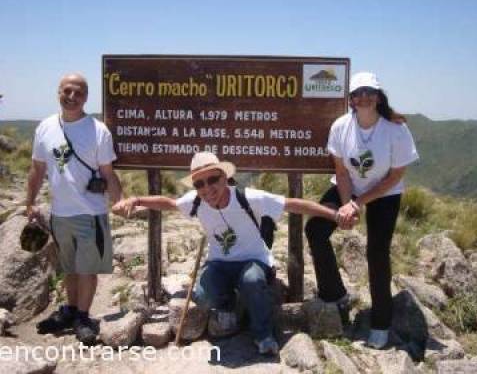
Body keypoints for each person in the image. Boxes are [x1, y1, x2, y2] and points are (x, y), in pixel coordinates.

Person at [112, 151, 340, 355]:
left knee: (252, 280)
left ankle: (263, 334)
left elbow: (294, 204)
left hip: (253, 261)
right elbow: (169, 203)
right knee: (202, 293)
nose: (207, 188)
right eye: (199, 184)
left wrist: (334, 215)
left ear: (224, 177)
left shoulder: (248, 197)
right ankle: (229, 307)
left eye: (213, 179)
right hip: (220, 263)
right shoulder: (196, 202)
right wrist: (136, 199)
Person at [305, 72, 419, 349]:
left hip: (385, 192)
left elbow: (394, 177)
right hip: (350, 187)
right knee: (315, 229)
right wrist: (346, 205)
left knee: (377, 252)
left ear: (378, 96)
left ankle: (381, 322)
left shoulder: (396, 129)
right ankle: (335, 293)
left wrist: (359, 203)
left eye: (369, 91)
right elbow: (341, 172)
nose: (364, 97)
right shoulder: (341, 127)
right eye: (357, 93)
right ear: (351, 100)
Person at [26, 73, 123, 345]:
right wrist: (30, 202)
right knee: (68, 267)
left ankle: (83, 316)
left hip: (90, 212)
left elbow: (108, 172)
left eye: (78, 93)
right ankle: (70, 310)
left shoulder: (97, 130)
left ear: (86, 97)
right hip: (59, 213)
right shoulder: (45, 127)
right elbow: (37, 169)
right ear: (59, 91)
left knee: (87, 268)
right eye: (67, 91)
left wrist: (118, 202)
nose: (72, 97)